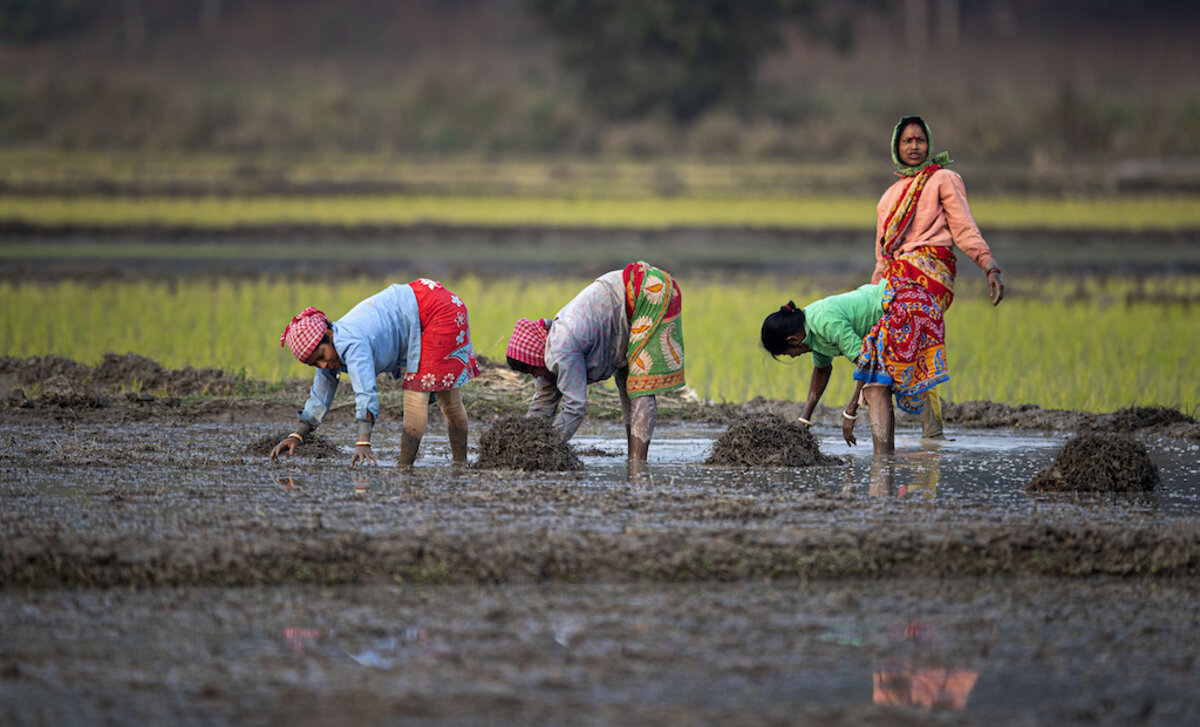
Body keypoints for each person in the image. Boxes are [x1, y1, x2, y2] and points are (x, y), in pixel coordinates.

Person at [872, 116, 1005, 437]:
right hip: (898, 274)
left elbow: (963, 227)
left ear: (928, 143)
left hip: (932, 273)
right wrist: (873, 295)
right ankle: (920, 430)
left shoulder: (944, 179)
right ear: (896, 147)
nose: (914, 146)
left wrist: (988, 264)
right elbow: (882, 256)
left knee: (915, 342)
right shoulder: (889, 197)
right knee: (890, 347)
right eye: (907, 141)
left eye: (919, 140)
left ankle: (923, 430)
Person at [269, 279, 480, 466]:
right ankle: (459, 466)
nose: (323, 365)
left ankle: (406, 469)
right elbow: (320, 395)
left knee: (419, 398)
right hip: (427, 301)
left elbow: (365, 392)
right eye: (314, 364)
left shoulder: (352, 344)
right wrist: (296, 435)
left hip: (437, 310)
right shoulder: (332, 351)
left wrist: (363, 441)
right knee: (445, 397)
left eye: (321, 356)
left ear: (328, 334)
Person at [505, 261, 685, 462]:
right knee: (626, 380)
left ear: (537, 356)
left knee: (641, 384)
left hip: (647, 292)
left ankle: (637, 464)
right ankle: (633, 459)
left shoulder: (561, 347)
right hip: (622, 300)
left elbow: (575, 406)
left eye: (532, 370)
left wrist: (547, 448)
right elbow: (543, 404)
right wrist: (523, 442)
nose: (536, 376)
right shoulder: (546, 355)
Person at [760, 277, 948, 454]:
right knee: (879, 388)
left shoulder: (825, 322)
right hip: (896, 309)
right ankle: (888, 454)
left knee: (875, 389)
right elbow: (822, 370)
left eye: (787, 353)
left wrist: (850, 414)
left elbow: (866, 364)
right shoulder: (808, 331)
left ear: (793, 340)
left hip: (906, 306)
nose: (792, 356)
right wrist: (804, 419)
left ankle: (883, 459)